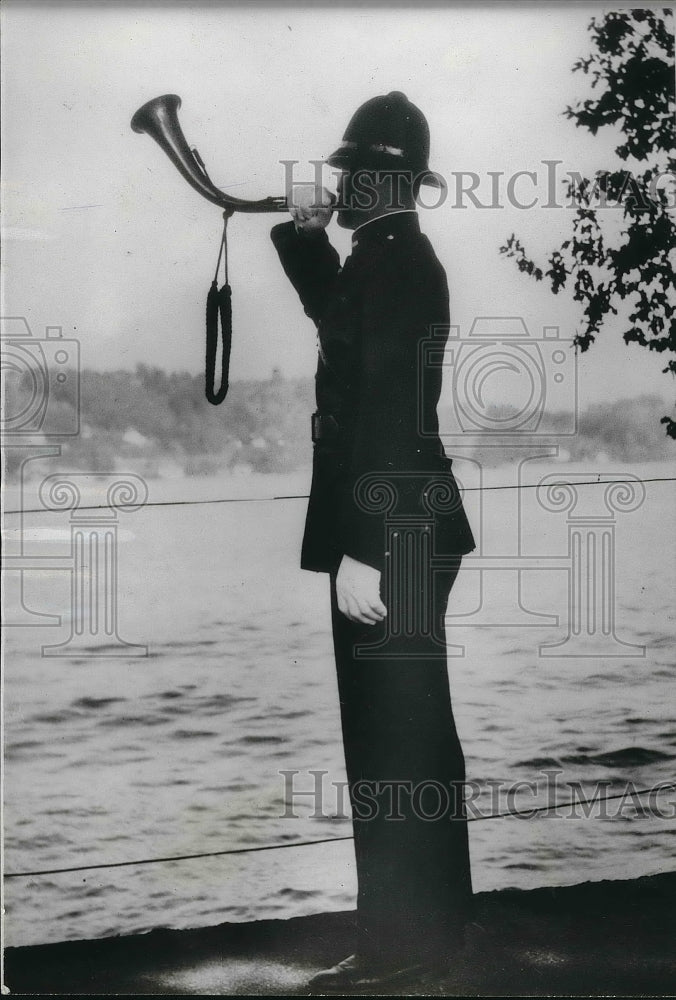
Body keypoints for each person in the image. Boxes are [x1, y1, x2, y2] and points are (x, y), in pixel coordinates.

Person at [270, 91, 477, 991]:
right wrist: (305, 237)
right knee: (405, 736)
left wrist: (362, 547)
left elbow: (391, 411)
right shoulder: (386, 258)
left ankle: (407, 948)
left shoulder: (393, 266)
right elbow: (340, 326)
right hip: (402, 521)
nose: (341, 182)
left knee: (395, 742)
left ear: (383, 179)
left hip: (389, 528)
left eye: (353, 172)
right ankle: (421, 935)